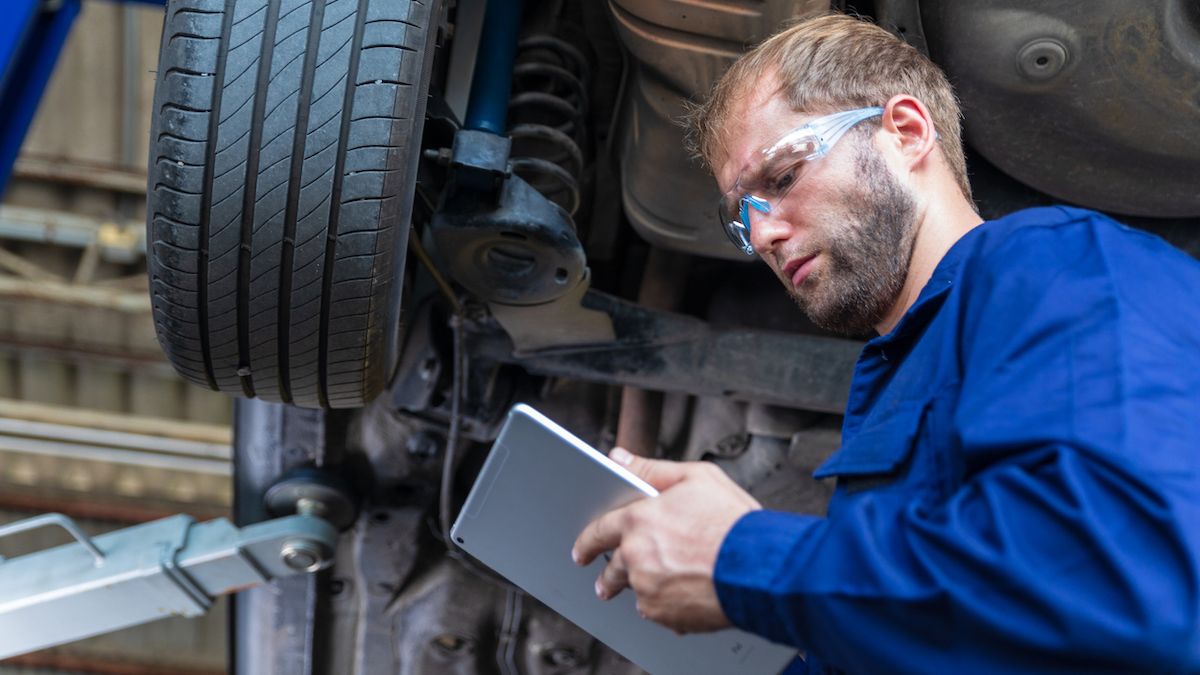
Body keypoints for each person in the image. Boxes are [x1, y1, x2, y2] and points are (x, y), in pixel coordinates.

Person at [571, 12, 1200, 674]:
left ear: (905, 131)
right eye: (740, 218)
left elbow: (1127, 585)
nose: (760, 237)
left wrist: (742, 557)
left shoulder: (1059, 264)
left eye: (781, 178)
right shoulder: (894, 378)